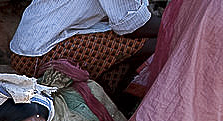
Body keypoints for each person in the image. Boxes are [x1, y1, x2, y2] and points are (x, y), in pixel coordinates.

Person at [9, 0, 159, 101]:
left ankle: (113, 101)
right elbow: (132, 25)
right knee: (158, 43)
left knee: (132, 45)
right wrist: (177, 25)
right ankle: (121, 103)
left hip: (33, 48)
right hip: (37, 54)